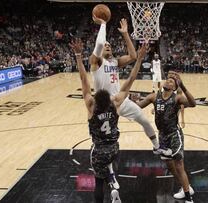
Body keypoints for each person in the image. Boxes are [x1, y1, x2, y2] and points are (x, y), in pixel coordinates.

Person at [70, 38, 147, 203]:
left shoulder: (91, 106)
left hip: (98, 150)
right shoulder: (116, 103)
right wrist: (139, 59)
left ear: (95, 96)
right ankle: (113, 184)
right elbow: (130, 81)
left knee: (98, 182)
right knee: (109, 166)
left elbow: (84, 80)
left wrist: (78, 55)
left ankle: (109, 186)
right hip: (114, 148)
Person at [90, 14, 170, 159]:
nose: (107, 46)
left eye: (109, 45)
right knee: (105, 135)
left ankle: (157, 147)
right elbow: (100, 43)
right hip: (105, 104)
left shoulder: (115, 62)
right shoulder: (96, 62)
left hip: (121, 100)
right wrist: (103, 24)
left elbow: (133, 56)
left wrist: (126, 34)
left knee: (144, 120)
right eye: (105, 45)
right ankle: (101, 156)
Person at [132, 73, 197, 203]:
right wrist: (133, 101)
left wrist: (183, 86)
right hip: (162, 136)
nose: (168, 82)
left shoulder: (177, 98)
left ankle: (189, 198)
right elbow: (137, 107)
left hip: (174, 134)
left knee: (179, 165)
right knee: (169, 165)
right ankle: (186, 188)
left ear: (174, 87)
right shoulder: (154, 96)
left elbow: (193, 103)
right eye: (167, 80)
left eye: (172, 82)